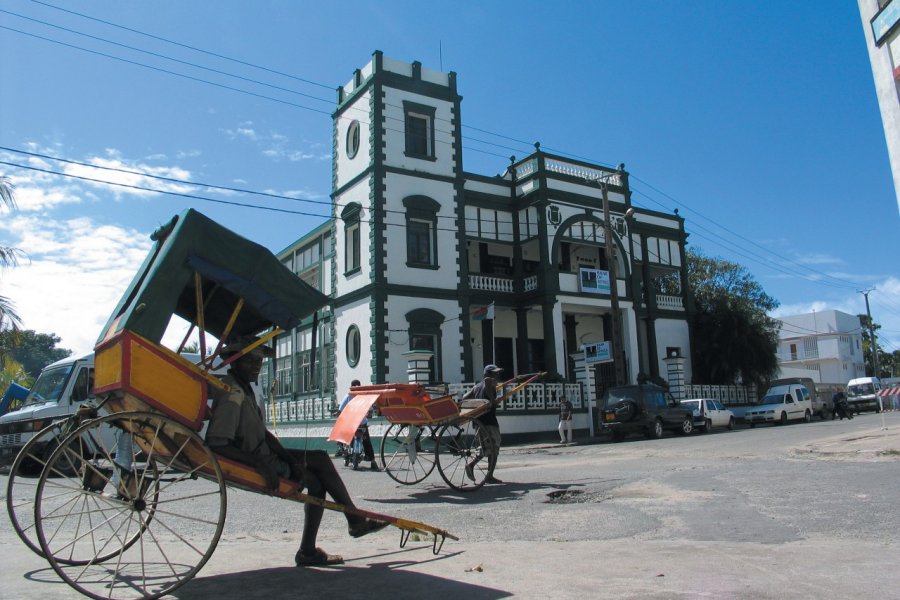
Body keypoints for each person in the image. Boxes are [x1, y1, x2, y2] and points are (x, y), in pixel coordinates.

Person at [206, 335, 388, 567]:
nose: (256, 366)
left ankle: (312, 548)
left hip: (264, 454)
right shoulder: (233, 394)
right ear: (234, 361)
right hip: (257, 460)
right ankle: (351, 521)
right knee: (319, 466)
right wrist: (260, 464)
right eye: (249, 360)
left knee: (317, 472)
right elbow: (218, 444)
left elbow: (264, 435)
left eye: (259, 361)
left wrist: (290, 460)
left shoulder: (246, 390)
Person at [461, 364, 505, 484]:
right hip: (489, 422)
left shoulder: (476, 387)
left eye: (497, 374)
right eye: (494, 374)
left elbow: (464, 397)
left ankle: (472, 466)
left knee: (485, 449)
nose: (496, 376)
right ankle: (488, 475)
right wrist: (491, 400)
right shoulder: (489, 382)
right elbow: (487, 381)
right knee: (494, 448)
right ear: (488, 375)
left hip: (479, 422)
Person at [337, 379, 379, 470]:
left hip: (352, 423)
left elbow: (340, 409)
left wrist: (339, 414)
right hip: (362, 424)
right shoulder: (364, 396)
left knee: (342, 434)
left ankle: (341, 449)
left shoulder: (348, 396)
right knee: (367, 442)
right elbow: (370, 409)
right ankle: (372, 461)